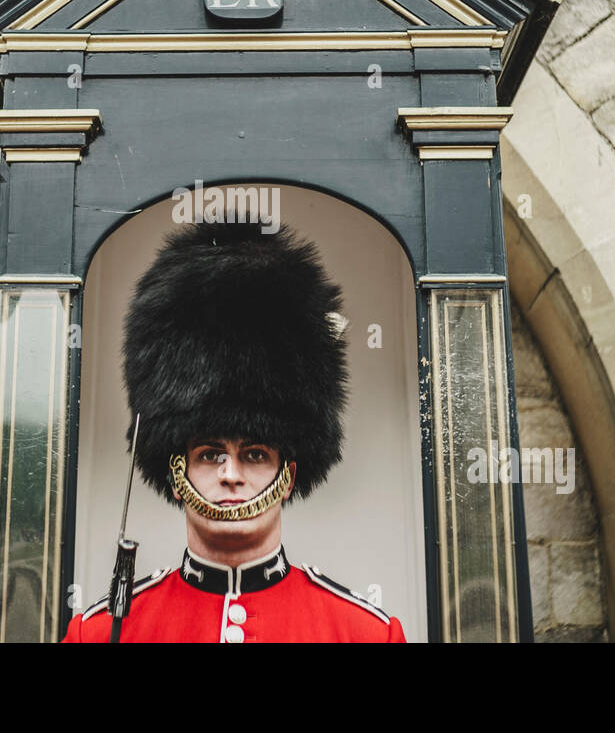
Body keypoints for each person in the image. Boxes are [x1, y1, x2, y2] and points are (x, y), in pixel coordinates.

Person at [62, 217, 406, 642]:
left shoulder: (365, 633)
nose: (230, 474)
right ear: (176, 474)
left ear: (288, 477)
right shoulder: (99, 633)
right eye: (209, 454)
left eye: (255, 454)